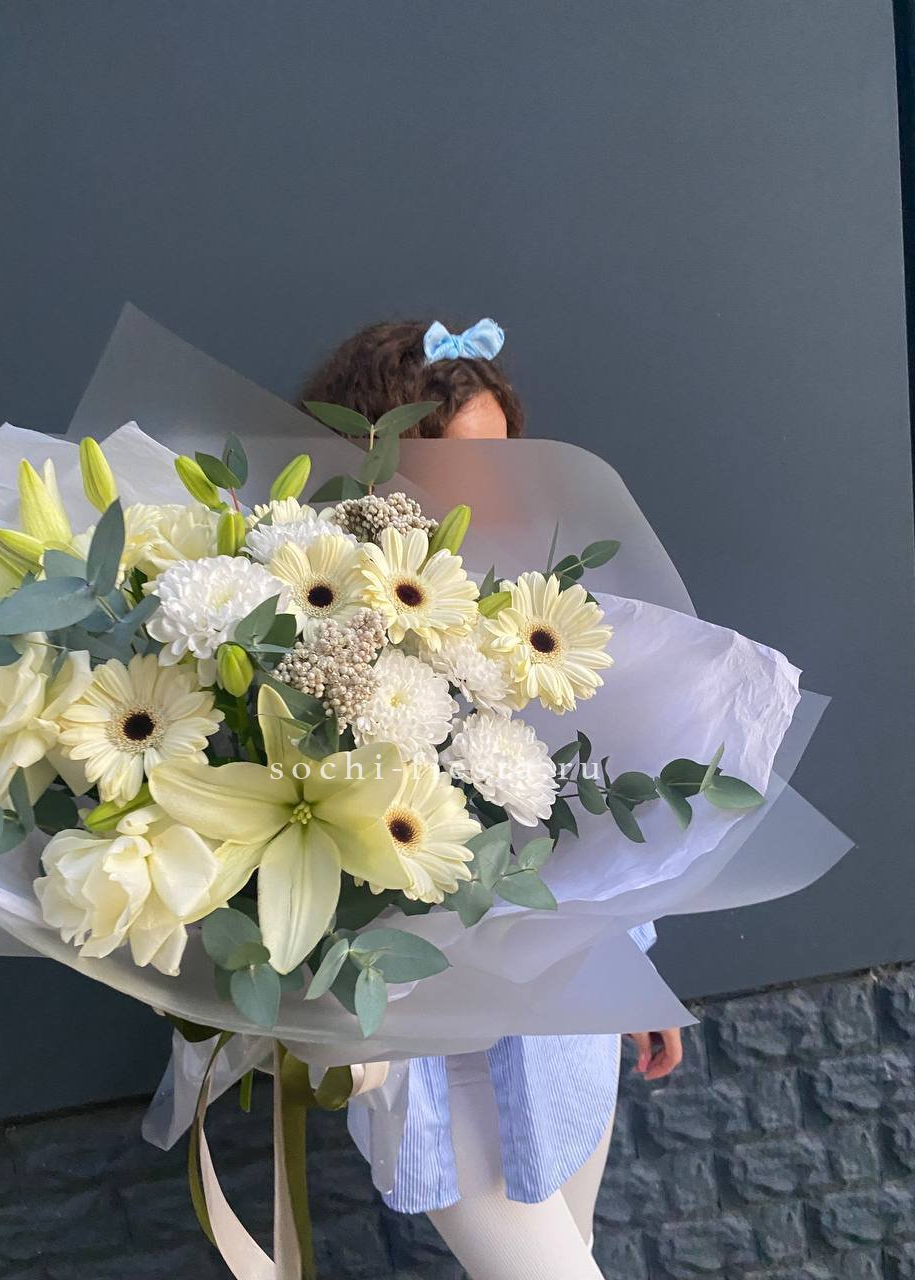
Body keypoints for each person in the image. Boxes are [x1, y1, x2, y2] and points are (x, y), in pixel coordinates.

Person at [300, 317, 684, 1280]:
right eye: (469, 460)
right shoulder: (309, 605)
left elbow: (576, 802)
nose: (496, 485)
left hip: (564, 1018)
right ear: (383, 448)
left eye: (507, 456)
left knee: (578, 1251)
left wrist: (634, 972)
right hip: (427, 1036)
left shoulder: (531, 598)